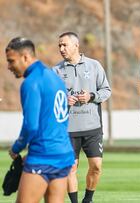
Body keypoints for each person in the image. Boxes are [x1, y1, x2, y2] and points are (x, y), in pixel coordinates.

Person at [6, 37, 75, 203]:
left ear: (25, 57)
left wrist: (17, 148)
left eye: (11, 61)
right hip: (64, 155)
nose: (9, 66)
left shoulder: (31, 83)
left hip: (43, 157)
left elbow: (31, 125)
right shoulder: (54, 78)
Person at [53, 32, 111, 203]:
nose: (61, 49)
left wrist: (91, 96)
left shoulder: (94, 66)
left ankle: (88, 198)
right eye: (60, 46)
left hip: (92, 127)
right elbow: (50, 99)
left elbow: (106, 90)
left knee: (96, 166)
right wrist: (64, 100)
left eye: (64, 45)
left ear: (76, 45)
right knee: (71, 168)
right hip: (67, 129)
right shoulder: (56, 70)